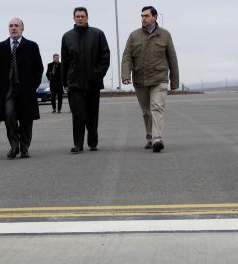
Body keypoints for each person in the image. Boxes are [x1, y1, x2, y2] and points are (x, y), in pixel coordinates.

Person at [122, 6, 179, 153]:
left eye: (146, 16)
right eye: (142, 16)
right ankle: (149, 136)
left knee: (157, 108)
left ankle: (157, 139)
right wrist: (126, 76)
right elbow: (127, 57)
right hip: (140, 79)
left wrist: (174, 81)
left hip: (159, 79)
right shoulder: (134, 36)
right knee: (146, 111)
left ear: (154, 17)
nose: (143, 18)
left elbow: (172, 59)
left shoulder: (165, 35)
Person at [60, 7, 110, 154]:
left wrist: (97, 73)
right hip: (75, 83)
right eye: (77, 16)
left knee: (92, 114)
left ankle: (92, 139)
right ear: (73, 18)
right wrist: (65, 81)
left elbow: (105, 57)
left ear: (87, 17)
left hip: (92, 82)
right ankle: (78, 144)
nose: (80, 18)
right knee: (78, 114)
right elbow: (65, 60)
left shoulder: (98, 34)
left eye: (82, 16)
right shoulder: (67, 37)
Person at [0, 18, 44, 159]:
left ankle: (24, 147)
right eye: (11, 26)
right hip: (8, 89)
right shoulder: (0, 47)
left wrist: (33, 84)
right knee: (9, 116)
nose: (13, 28)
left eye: (16, 26)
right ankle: (14, 146)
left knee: (26, 119)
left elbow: (38, 68)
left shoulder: (31, 46)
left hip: (26, 89)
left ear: (22, 28)